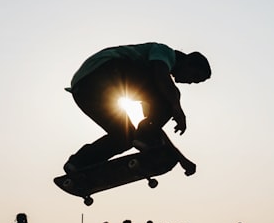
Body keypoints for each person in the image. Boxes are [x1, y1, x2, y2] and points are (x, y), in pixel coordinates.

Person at [63, 43, 211, 174]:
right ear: (188, 62)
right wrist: (176, 106)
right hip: (105, 69)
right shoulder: (164, 52)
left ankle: (79, 163)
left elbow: (153, 126)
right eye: (194, 76)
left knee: (125, 136)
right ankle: (144, 137)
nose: (191, 82)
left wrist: (180, 159)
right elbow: (161, 75)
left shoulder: (150, 88)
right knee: (168, 95)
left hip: (84, 91)